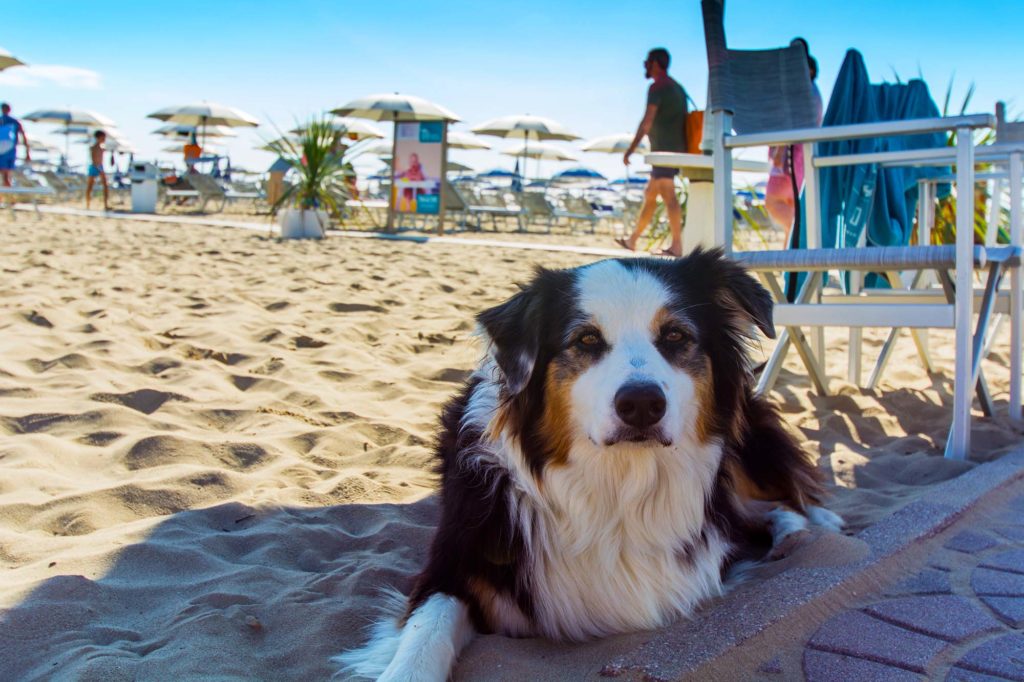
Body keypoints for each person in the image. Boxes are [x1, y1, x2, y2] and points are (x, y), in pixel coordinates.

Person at [619, 48, 688, 257]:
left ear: (656, 63)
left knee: (669, 196)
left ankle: (677, 246)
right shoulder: (677, 87)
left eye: (647, 62)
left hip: (665, 151)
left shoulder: (659, 87)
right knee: (651, 195)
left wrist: (630, 150)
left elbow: (647, 121)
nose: (645, 66)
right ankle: (632, 240)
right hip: (672, 149)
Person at [765, 37, 824, 242]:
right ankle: (791, 252)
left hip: (792, 152)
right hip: (804, 152)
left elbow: (788, 122)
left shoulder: (800, 89)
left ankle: (801, 234)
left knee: (774, 201)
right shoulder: (813, 91)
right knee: (792, 203)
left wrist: (780, 150)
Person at [0, 102, 30, 187]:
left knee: (4, 174)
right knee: (7, 173)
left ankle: (5, 193)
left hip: (2, 149)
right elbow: (23, 136)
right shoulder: (15, 122)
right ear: (9, 110)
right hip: (11, 149)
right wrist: (27, 152)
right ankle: (6, 192)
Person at [85, 130, 109, 211]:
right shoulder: (93, 147)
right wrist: (100, 170)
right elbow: (94, 160)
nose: (105, 139)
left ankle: (105, 205)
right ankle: (88, 205)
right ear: (99, 137)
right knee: (90, 187)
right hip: (94, 167)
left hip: (100, 166)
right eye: (103, 137)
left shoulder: (102, 148)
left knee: (105, 186)